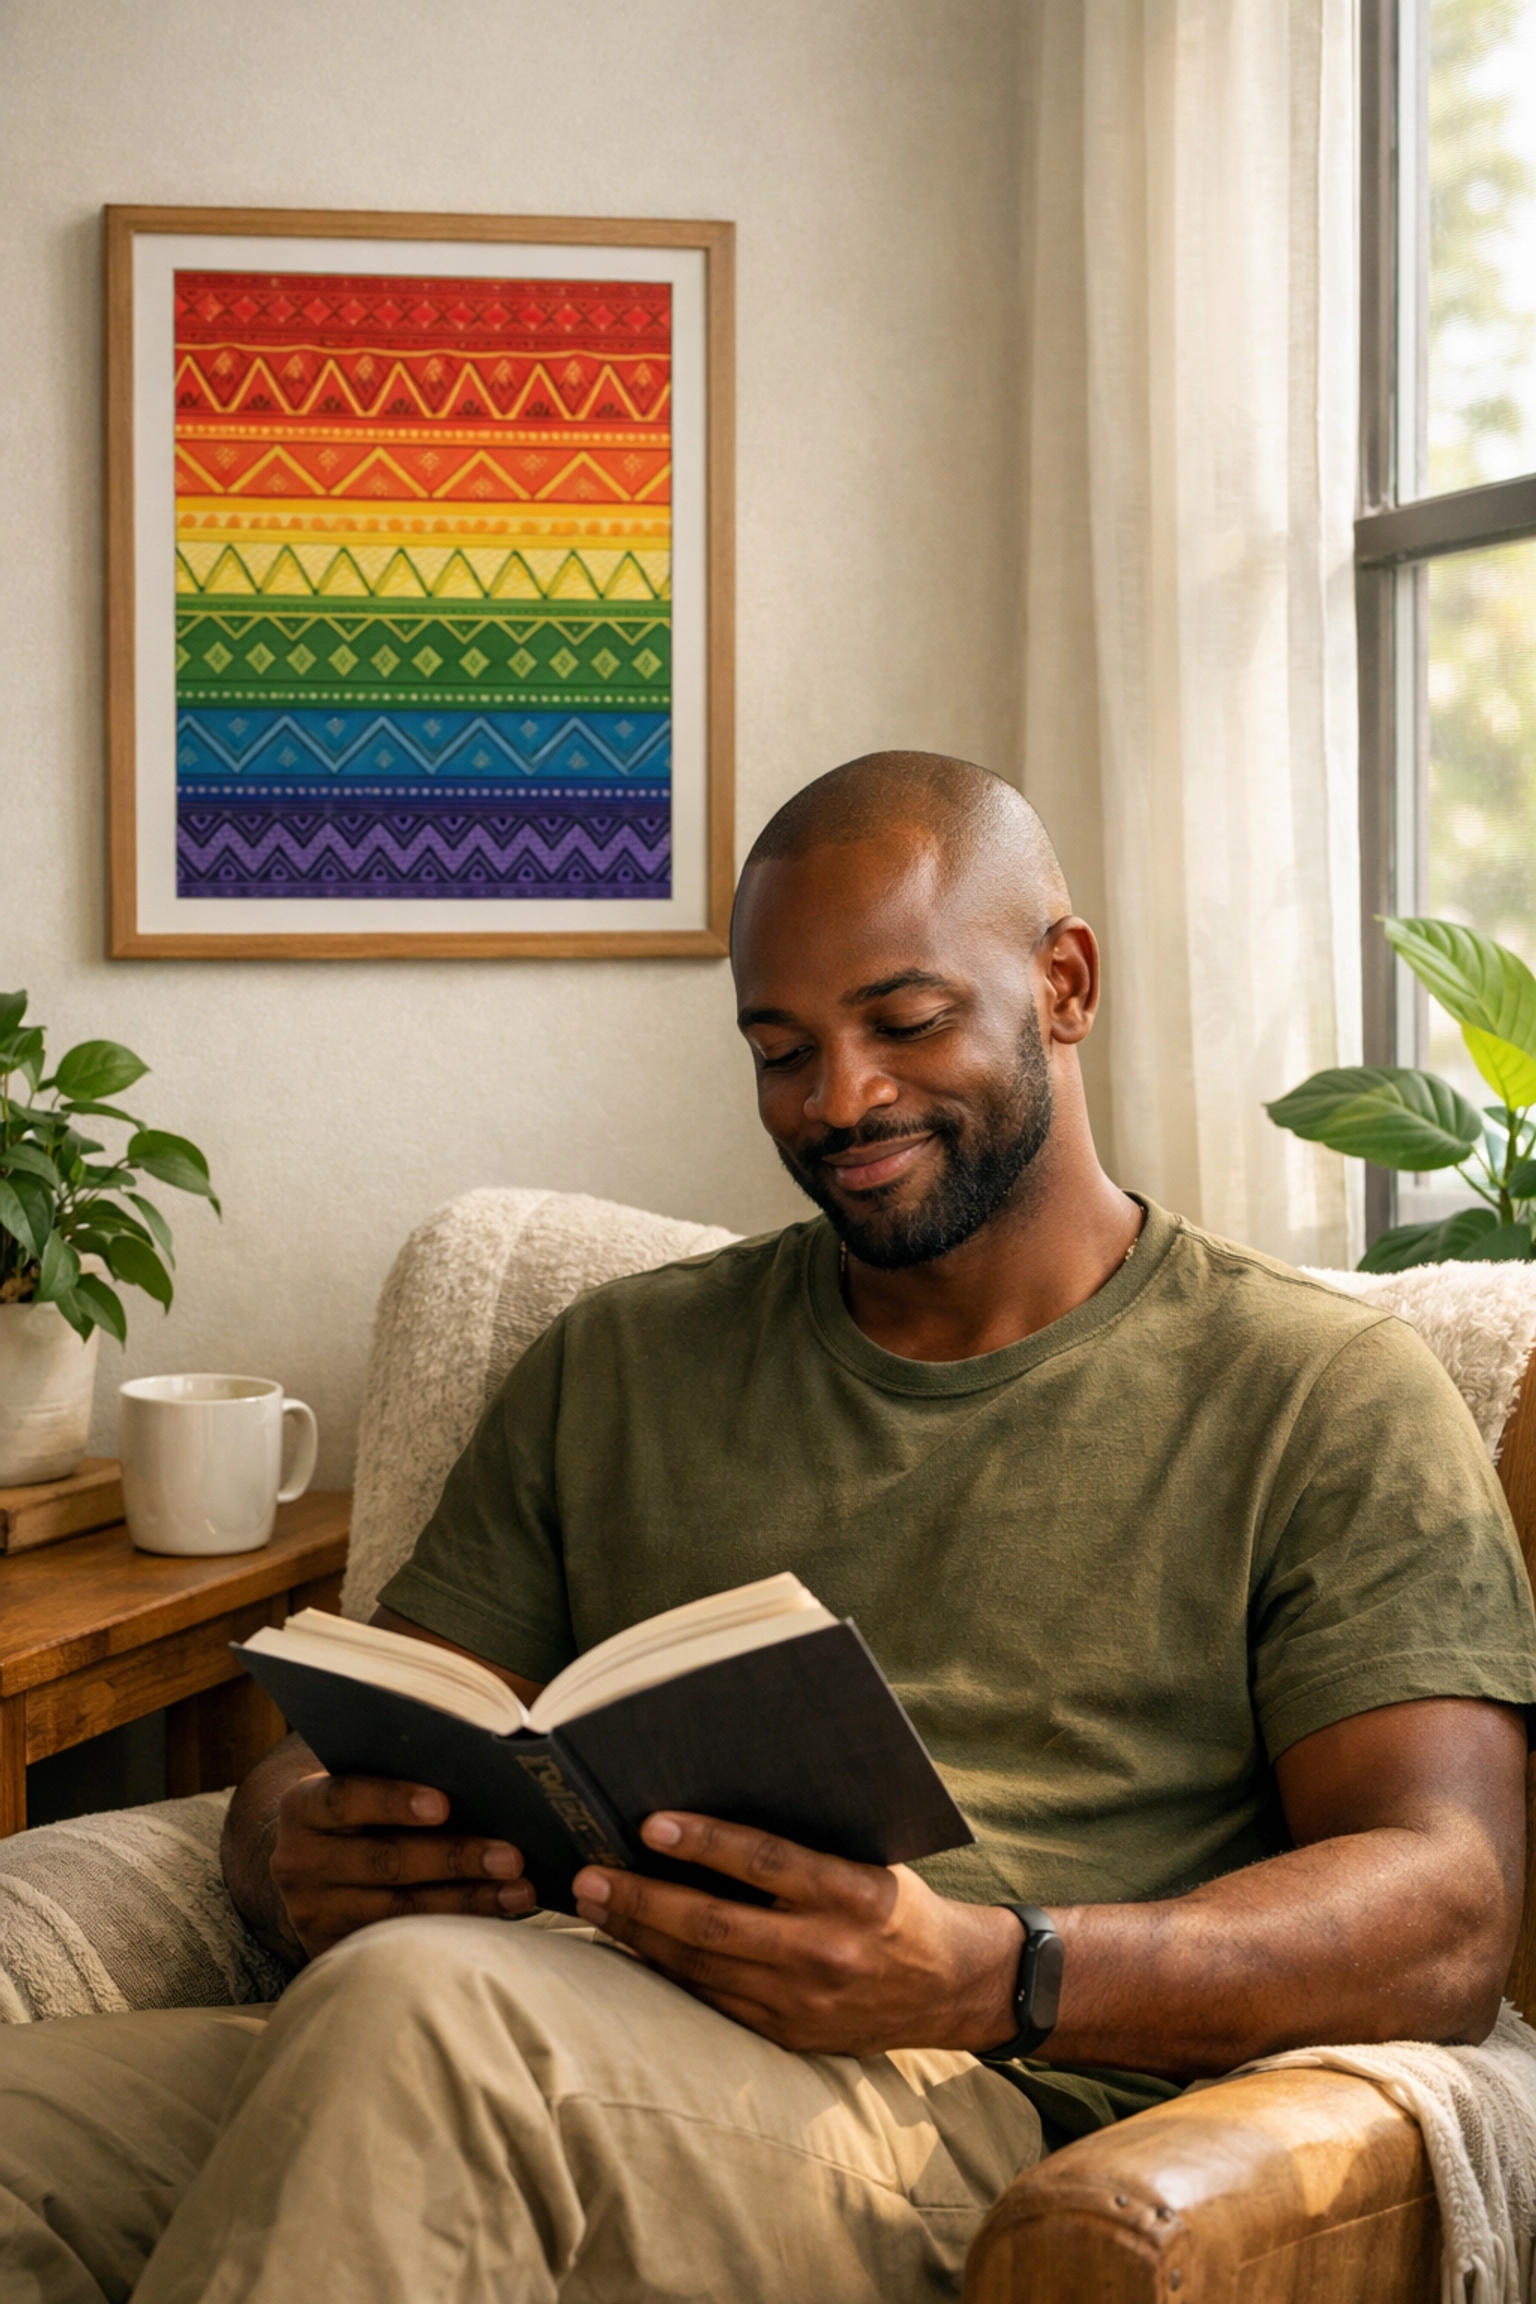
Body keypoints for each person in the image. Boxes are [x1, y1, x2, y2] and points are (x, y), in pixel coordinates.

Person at [4, 752, 1536, 2304]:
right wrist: (294, 1853)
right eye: (781, 1046)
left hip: (963, 2099)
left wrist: (997, 1970)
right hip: (506, 2013)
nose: (839, 1100)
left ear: (1064, 985)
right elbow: (345, 1739)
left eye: (907, 1022)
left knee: (428, 2024)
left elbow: (1446, 1905)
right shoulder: (618, 1361)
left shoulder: (1316, 1393)